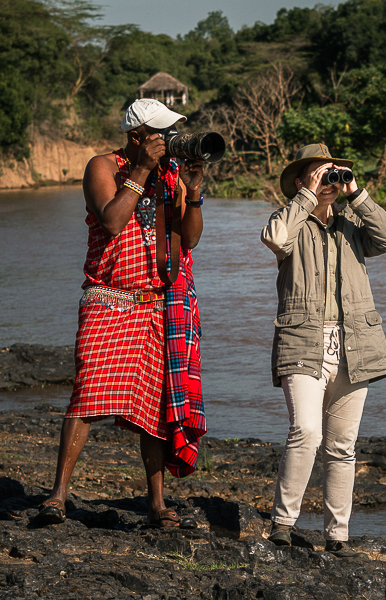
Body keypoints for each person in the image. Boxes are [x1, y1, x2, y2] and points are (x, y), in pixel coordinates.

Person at [37, 99, 207, 528]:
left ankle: (156, 504)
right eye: (160, 134)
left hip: (156, 303)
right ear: (137, 137)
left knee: (154, 408)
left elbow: (188, 241)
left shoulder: (172, 177)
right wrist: (143, 170)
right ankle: (57, 495)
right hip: (108, 298)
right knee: (87, 394)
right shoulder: (103, 166)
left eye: (170, 134)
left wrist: (194, 192)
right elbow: (111, 221)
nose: (169, 141)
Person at [261, 143, 386, 558]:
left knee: (342, 446)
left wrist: (355, 192)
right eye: (320, 174)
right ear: (301, 180)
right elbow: (275, 238)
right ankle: (283, 525)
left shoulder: (352, 223)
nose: (329, 182)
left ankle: (337, 535)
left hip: (354, 344)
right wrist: (308, 195)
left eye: (333, 175)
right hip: (302, 341)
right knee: (306, 430)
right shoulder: (289, 221)